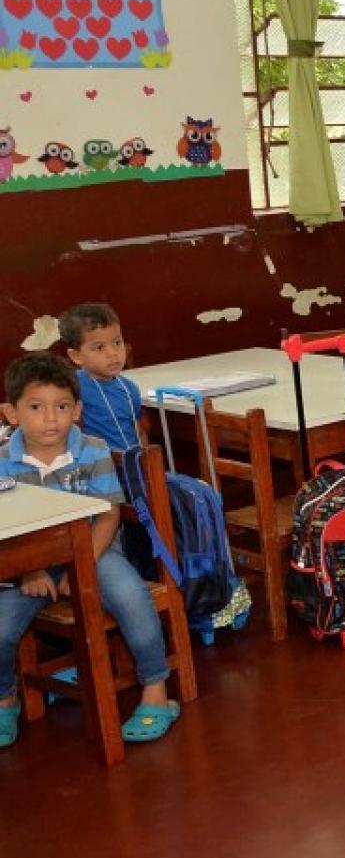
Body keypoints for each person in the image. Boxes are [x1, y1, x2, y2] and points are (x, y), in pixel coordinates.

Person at [0, 354, 176, 748]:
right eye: (36, 407)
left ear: (77, 410)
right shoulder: (3, 462)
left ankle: (156, 688)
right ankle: (5, 698)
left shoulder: (92, 450)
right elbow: (7, 531)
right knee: (0, 628)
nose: (51, 419)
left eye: (62, 407)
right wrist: (29, 571)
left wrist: (81, 564)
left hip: (96, 551)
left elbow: (108, 517)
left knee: (132, 598)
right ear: (11, 413)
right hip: (32, 563)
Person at [60, 301, 141, 454]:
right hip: (94, 466)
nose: (112, 353)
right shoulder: (71, 388)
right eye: (99, 347)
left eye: (117, 342)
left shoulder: (130, 388)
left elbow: (140, 433)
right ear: (76, 356)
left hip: (133, 463)